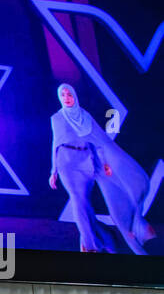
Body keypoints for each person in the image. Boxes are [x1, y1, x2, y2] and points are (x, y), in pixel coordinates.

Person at [48, 83, 154, 255]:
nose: (66, 98)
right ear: (60, 98)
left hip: (88, 162)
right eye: (63, 95)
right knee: (78, 201)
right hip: (67, 164)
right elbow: (55, 144)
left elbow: (100, 142)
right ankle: (90, 246)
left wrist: (105, 162)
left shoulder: (85, 116)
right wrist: (54, 171)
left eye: (69, 95)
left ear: (74, 96)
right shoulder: (57, 118)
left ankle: (111, 235)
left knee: (102, 198)